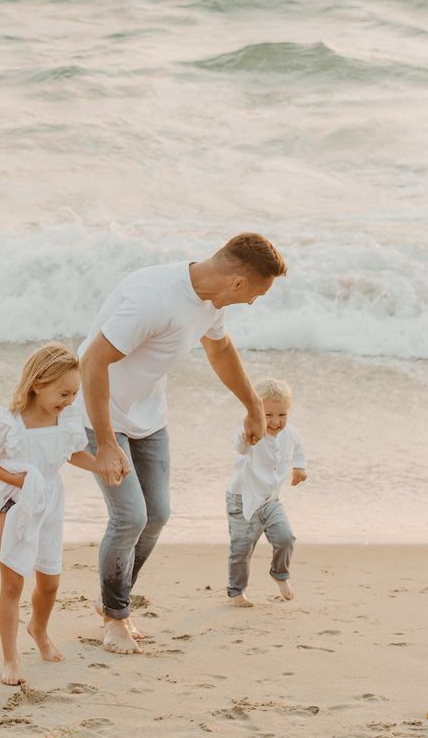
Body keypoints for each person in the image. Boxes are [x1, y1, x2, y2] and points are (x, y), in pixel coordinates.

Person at [78, 232, 287, 654]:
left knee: (156, 515)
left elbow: (221, 350)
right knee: (129, 518)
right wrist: (104, 442)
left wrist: (253, 407)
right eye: (257, 295)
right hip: (98, 411)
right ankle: (116, 616)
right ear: (239, 283)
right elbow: (92, 361)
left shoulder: (210, 302)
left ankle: (109, 602)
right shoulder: (154, 297)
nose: (252, 303)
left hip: (148, 416)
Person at [0, 343, 101, 686]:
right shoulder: (8, 421)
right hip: (12, 501)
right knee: (12, 583)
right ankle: (11, 659)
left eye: (74, 393)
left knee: (50, 581)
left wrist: (103, 465)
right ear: (38, 383)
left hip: (50, 500)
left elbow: (74, 453)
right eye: (63, 392)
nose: (70, 400)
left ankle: (38, 629)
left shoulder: (66, 418)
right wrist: (13, 479)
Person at [226, 376, 307, 606]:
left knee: (285, 537)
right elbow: (240, 449)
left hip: (271, 500)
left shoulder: (290, 432)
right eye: (268, 415)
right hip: (243, 500)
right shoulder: (251, 431)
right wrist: (248, 430)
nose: (275, 421)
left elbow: (298, 447)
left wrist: (300, 467)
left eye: (281, 415)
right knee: (241, 549)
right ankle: (236, 591)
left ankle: (279, 573)